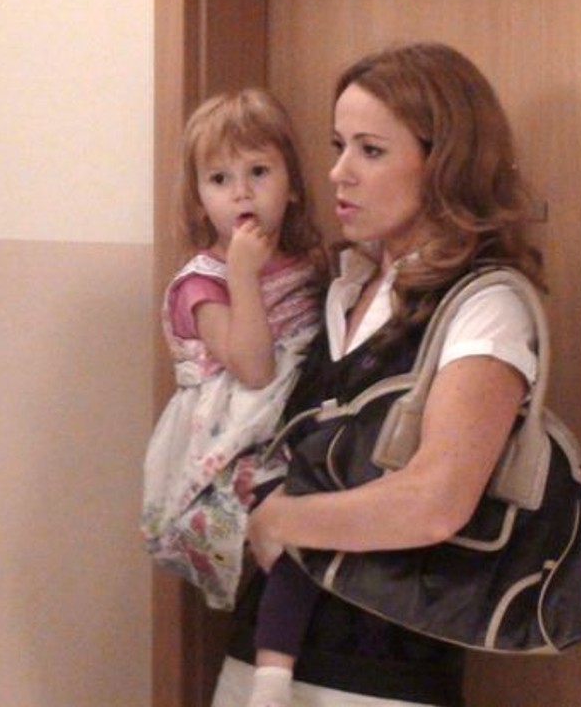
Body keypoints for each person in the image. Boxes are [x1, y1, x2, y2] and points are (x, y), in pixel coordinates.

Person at [214, 42, 546, 707]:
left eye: (370, 150)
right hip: (263, 657)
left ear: (444, 162)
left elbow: (434, 503)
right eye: (339, 146)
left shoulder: (484, 306)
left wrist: (281, 520)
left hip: (383, 676)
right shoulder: (340, 285)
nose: (338, 172)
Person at [140, 88, 325, 707]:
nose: (241, 193)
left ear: (292, 184)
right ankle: (271, 681)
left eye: (259, 172)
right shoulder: (201, 283)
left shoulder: (308, 262)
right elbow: (252, 366)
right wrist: (242, 273)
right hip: (237, 435)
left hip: (299, 425)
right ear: (199, 197)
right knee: (290, 545)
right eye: (220, 179)